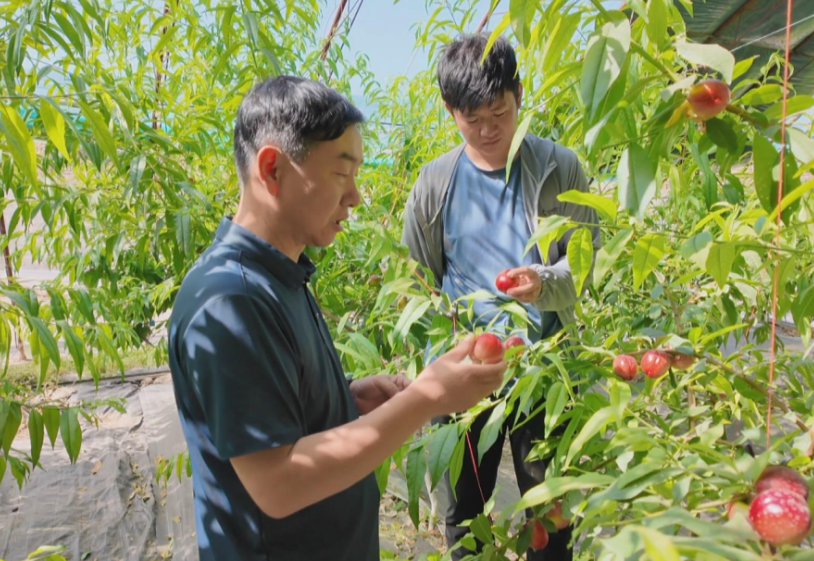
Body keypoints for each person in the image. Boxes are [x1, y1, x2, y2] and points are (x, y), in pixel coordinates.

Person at [167, 75, 508, 561]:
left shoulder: (276, 276)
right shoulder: (230, 300)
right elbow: (278, 483)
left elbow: (275, 411)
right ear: (272, 170)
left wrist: (345, 397)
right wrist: (430, 397)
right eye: (341, 175)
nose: (357, 198)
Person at [402, 34, 600, 560]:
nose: (488, 130)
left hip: (543, 372)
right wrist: (441, 352)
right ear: (450, 111)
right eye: (472, 119)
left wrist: (544, 283)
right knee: (464, 511)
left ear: (519, 93)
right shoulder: (435, 184)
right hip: (466, 376)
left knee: (550, 511)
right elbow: (419, 281)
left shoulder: (560, 168)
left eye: (500, 112)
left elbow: (588, 262)